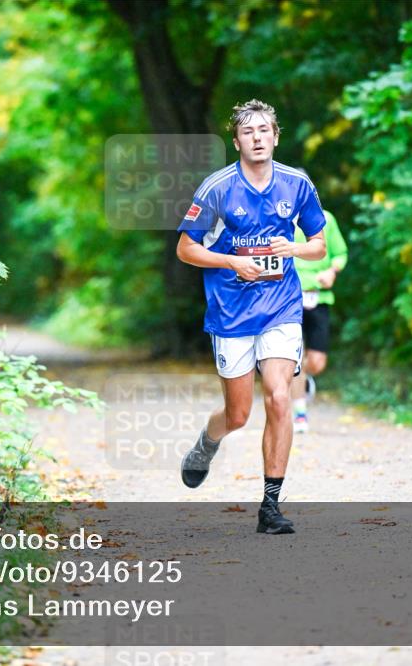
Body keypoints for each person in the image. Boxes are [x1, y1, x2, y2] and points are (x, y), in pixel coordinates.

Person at [176, 99, 327, 535]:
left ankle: (271, 506)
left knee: (280, 396)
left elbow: (318, 244)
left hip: (280, 305)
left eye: (265, 130)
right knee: (238, 414)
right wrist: (231, 263)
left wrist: (294, 248)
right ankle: (207, 444)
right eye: (248, 132)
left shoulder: (297, 184)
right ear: (236, 140)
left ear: (276, 137)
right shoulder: (217, 188)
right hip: (231, 311)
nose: (257, 138)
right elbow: (186, 248)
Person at [291, 210, 347, 433]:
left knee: (316, 362)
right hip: (288, 297)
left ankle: (293, 379)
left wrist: (332, 271)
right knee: (294, 357)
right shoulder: (276, 217)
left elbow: (340, 253)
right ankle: (300, 414)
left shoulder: (326, 219)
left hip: (319, 296)